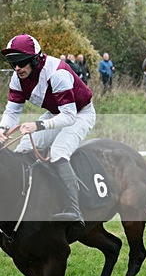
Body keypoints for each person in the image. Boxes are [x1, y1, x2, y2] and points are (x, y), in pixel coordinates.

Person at [0, 34, 95, 228]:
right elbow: (12, 111)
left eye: (21, 62)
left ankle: (74, 210)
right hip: (55, 113)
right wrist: (2, 130)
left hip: (79, 114)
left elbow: (69, 117)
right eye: (13, 64)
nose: (17, 68)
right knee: (23, 148)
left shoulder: (57, 73)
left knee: (59, 152)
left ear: (35, 59)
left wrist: (38, 125)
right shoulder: (17, 78)